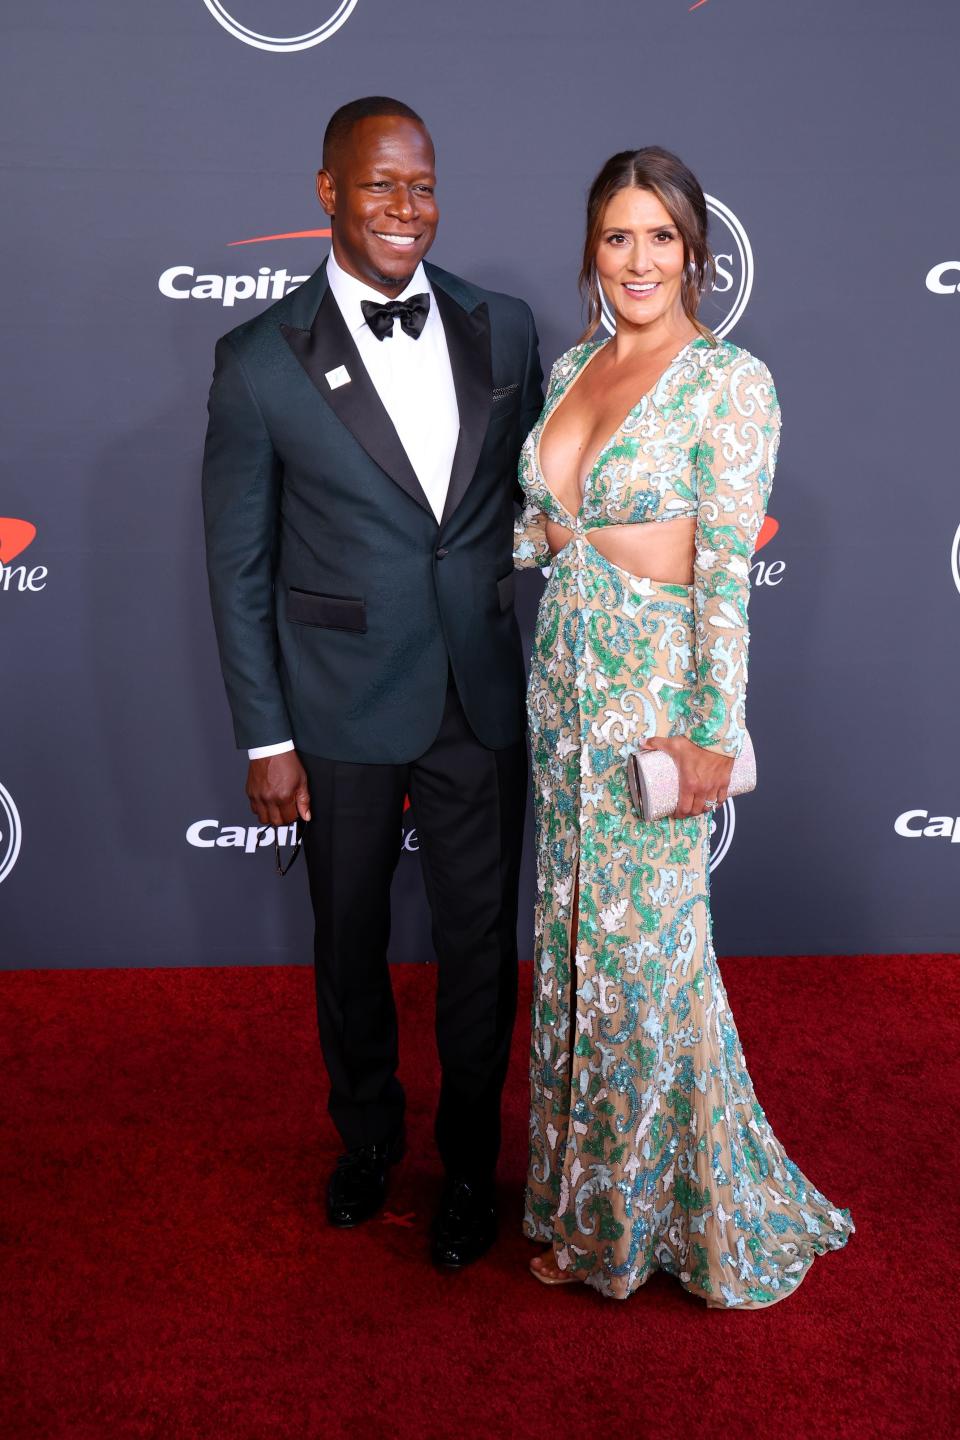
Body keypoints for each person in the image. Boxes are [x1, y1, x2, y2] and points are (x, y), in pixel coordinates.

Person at [202, 97, 542, 1268]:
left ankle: (466, 1168)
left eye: (425, 185)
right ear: (328, 193)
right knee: (347, 943)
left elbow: (543, 502)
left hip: (481, 697)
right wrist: (264, 738)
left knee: (479, 949)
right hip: (337, 702)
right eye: (382, 185)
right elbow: (237, 564)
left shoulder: (506, 328)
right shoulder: (255, 363)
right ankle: (366, 1142)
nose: (409, 209)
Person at [513, 147, 853, 1303]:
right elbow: (541, 524)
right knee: (571, 953)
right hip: (561, 703)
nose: (639, 259)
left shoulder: (730, 382)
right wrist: (555, 545)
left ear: (696, 250)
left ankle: (626, 1226)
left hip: (653, 710)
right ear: (592, 254)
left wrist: (712, 732)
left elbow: (722, 577)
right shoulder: (571, 368)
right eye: (618, 236)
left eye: (661, 236)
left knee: (642, 965)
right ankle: (586, 1196)